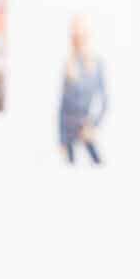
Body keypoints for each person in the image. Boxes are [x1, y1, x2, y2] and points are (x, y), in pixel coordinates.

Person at [59, 15, 107, 166]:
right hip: (68, 130)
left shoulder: (97, 64)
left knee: (98, 163)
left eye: (82, 35)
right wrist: (61, 139)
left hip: (87, 127)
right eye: (75, 36)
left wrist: (93, 125)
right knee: (69, 166)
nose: (79, 39)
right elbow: (62, 106)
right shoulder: (69, 65)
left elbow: (105, 101)